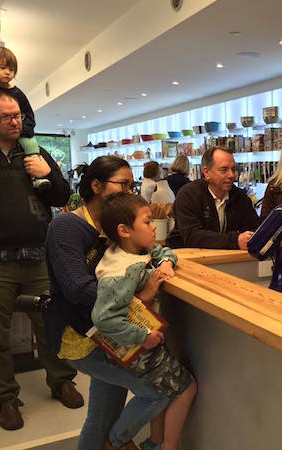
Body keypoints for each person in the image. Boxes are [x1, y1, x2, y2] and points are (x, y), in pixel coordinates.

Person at [44, 156, 194, 450]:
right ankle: (116, 443)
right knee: (155, 391)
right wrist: (134, 302)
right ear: (97, 185)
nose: (129, 191)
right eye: (122, 185)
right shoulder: (67, 227)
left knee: (101, 417)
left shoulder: (115, 225)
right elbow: (76, 288)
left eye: (131, 184)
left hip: (111, 336)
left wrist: (163, 263)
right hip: (82, 336)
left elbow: (156, 250)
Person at [0, 90, 81, 431]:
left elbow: (63, 195)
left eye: (18, 115)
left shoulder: (35, 150)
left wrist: (48, 172)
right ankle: (5, 399)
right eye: (6, 117)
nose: (16, 122)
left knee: (52, 327)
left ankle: (61, 380)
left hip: (38, 259)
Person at [94, 192, 196, 450]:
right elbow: (104, 318)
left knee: (163, 391)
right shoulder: (120, 272)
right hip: (137, 347)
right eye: (148, 222)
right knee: (185, 388)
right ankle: (133, 442)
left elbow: (164, 251)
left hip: (142, 343)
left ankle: (154, 442)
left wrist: (166, 264)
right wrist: (143, 337)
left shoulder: (136, 250)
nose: (154, 228)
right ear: (125, 230)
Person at [0, 46, 50, 189]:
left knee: (31, 143)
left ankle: (37, 177)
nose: (8, 73)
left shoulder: (17, 93)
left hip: (19, 132)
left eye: (12, 70)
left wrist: (23, 131)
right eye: (3, 67)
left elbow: (29, 115)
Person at [167, 147, 259, 250]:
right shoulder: (188, 195)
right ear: (206, 173)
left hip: (226, 260)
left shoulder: (240, 197)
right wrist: (235, 240)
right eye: (224, 170)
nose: (232, 175)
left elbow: (253, 229)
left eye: (233, 169)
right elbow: (193, 236)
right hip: (184, 259)